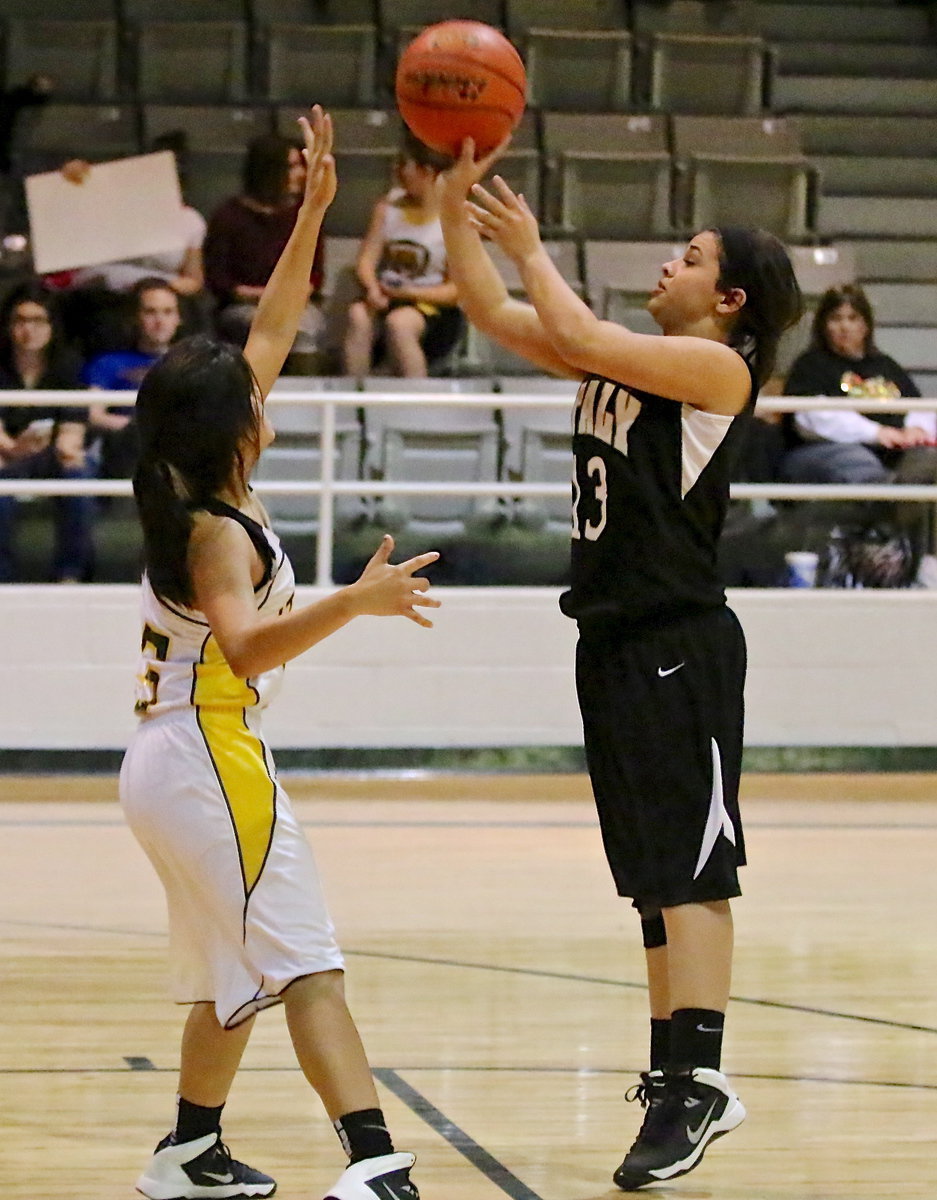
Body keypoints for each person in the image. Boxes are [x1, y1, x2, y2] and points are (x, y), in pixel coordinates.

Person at [437, 141, 802, 1190]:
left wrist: (531, 246)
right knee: (650, 883)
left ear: (728, 299)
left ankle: (701, 1082)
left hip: (677, 639)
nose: (667, 265)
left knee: (692, 871)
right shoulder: (628, 363)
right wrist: (455, 203)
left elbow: (574, 328)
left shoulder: (719, 370)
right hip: (609, 639)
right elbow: (491, 311)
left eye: (689, 257)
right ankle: (670, 1076)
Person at [120, 106, 437, 1200]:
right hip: (208, 748)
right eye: (252, 396)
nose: (266, 392)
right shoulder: (214, 529)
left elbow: (277, 318)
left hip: (171, 756)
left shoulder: (194, 476)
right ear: (233, 427)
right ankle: (374, 1162)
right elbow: (247, 650)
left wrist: (313, 213)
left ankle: (189, 1150)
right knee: (308, 960)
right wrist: (357, 600)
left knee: (234, 972)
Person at [781, 282, 933, 483]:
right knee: (857, 462)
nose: (845, 327)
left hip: (892, 452)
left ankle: (899, 493)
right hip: (825, 451)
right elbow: (810, 419)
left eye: (852, 318)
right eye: (836, 318)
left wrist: (917, 430)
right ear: (823, 326)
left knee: (927, 458)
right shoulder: (810, 365)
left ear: (865, 325)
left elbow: (917, 406)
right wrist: (876, 433)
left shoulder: (885, 365)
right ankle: (887, 493)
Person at [342, 132, 463, 378]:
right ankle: (355, 392)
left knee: (400, 324)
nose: (398, 172)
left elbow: (455, 291)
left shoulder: (453, 218)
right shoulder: (388, 207)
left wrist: (407, 293)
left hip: (430, 305)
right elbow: (366, 260)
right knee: (358, 316)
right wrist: (372, 287)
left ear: (427, 172)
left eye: (405, 166)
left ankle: (416, 395)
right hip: (387, 293)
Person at [204, 132, 326, 371]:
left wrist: (289, 297)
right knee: (268, 327)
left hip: (294, 303)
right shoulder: (229, 216)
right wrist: (264, 296)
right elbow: (219, 280)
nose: (301, 173)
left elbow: (315, 276)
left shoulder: (305, 214)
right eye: (292, 167)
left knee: (304, 328)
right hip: (243, 306)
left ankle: (303, 391)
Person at [0, 281, 93, 582]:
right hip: (7, 455)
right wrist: (14, 449)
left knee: (78, 474)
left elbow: (72, 428)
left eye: (38, 320)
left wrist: (66, 447)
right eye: (21, 320)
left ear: (52, 326)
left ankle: (70, 574)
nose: (29, 329)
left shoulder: (68, 365)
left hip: (50, 454)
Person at [82, 277, 182, 478]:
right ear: (135, 317)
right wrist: (139, 429)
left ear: (178, 319)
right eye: (150, 312)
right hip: (124, 454)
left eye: (167, 312)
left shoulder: (193, 363)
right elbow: (93, 414)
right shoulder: (107, 363)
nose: (159, 321)